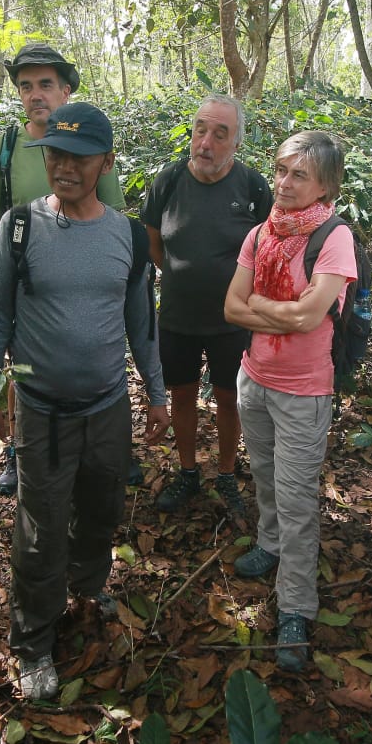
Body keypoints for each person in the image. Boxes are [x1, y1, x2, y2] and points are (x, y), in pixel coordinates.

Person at [0, 102, 169, 700]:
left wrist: (157, 395)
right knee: (40, 529)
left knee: (103, 507)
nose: (64, 167)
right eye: (56, 154)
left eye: (80, 158)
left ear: (105, 163)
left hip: (108, 405)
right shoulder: (20, 227)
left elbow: (142, 323)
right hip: (41, 407)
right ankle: (33, 643)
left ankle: (88, 586)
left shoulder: (129, 236)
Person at [223, 130, 358, 672]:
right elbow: (231, 308)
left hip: (305, 391)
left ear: (325, 185)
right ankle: (269, 542)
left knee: (298, 496)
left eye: (299, 174)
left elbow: (309, 316)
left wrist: (260, 302)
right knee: (263, 475)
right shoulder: (261, 234)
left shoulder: (333, 237)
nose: (283, 182)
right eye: (281, 170)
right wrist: (273, 306)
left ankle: (296, 606)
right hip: (253, 378)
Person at [0, 42, 131, 494]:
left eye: (45, 84)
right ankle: (18, 450)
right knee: (20, 368)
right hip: (26, 278)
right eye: (26, 86)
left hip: (80, 282)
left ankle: (100, 448)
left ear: (65, 91)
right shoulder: (3, 149)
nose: (35, 94)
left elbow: (112, 218)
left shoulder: (93, 145)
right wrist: (2, 283)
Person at [140, 94, 273, 518]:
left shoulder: (252, 186)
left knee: (228, 396)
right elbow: (154, 241)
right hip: (178, 316)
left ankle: (228, 473)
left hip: (233, 319)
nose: (207, 142)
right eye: (201, 129)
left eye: (220, 133)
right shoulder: (168, 180)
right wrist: (182, 275)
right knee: (181, 393)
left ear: (236, 142)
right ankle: (188, 472)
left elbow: (269, 247)